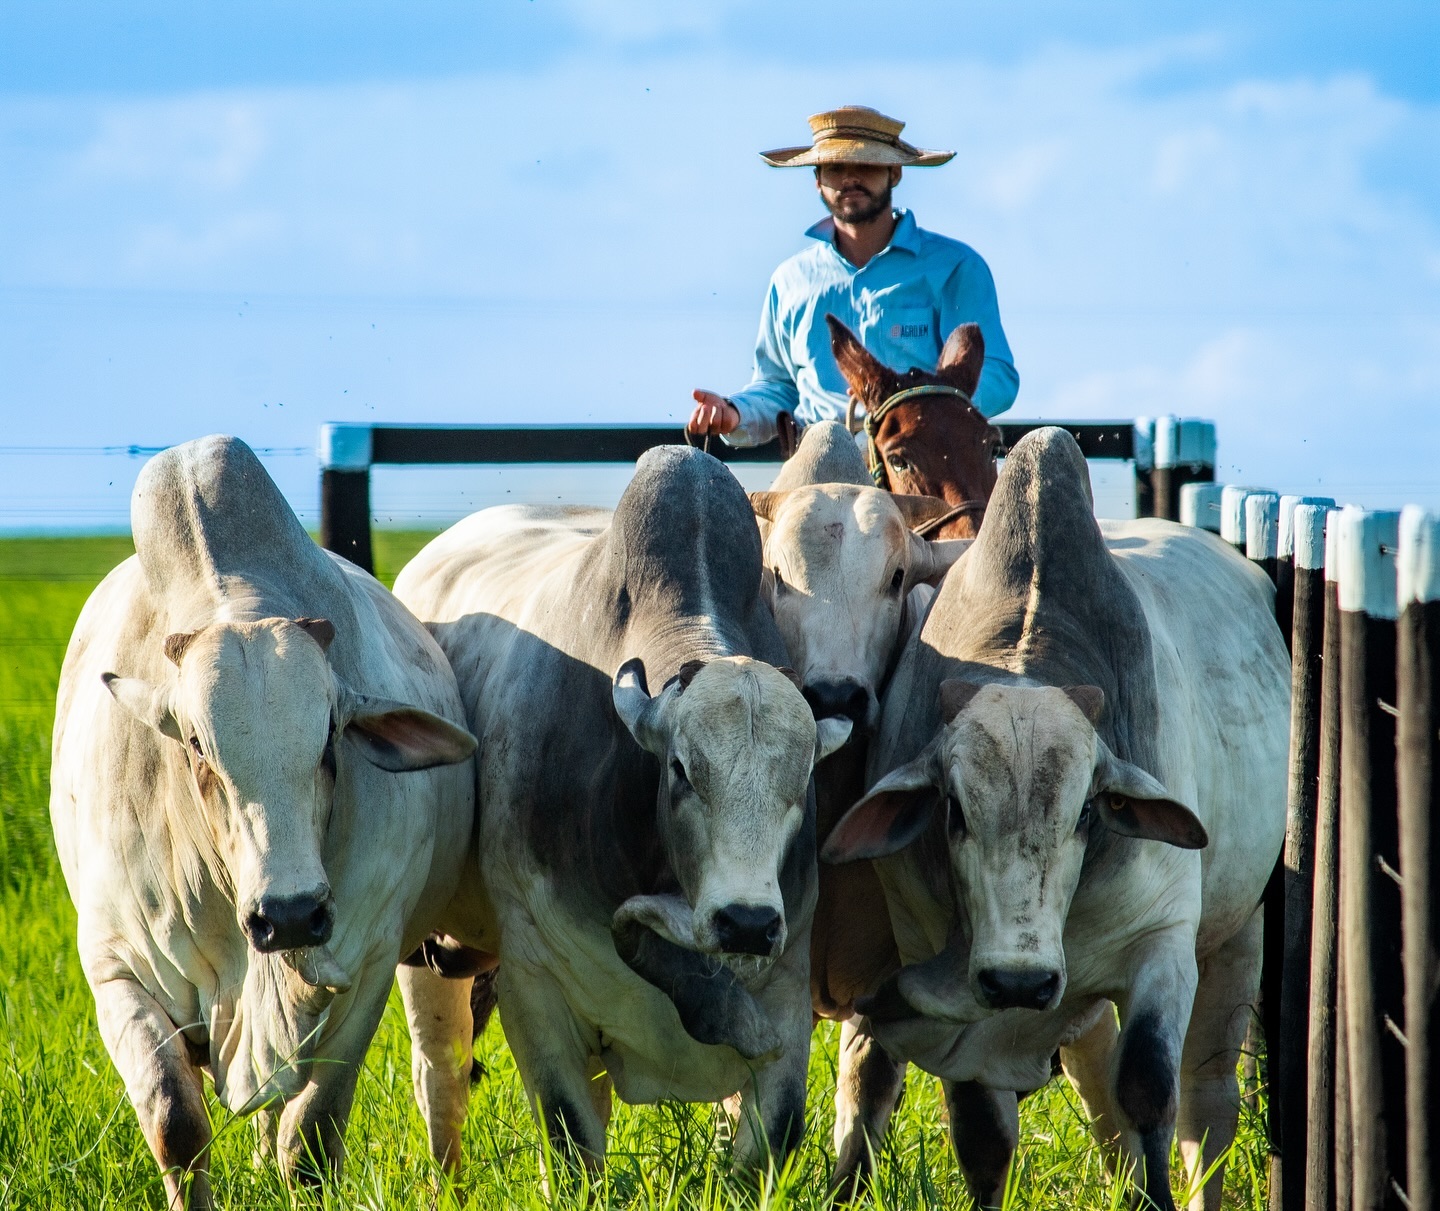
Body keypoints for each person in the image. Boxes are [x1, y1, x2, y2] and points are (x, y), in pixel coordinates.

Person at [688, 106, 1019, 447]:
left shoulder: (955, 267)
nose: (849, 178)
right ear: (817, 180)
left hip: (927, 458)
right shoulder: (790, 280)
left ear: (894, 172)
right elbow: (779, 388)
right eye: (834, 167)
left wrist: (915, 406)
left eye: (865, 164)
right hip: (817, 463)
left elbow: (995, 374)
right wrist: (734, 412)